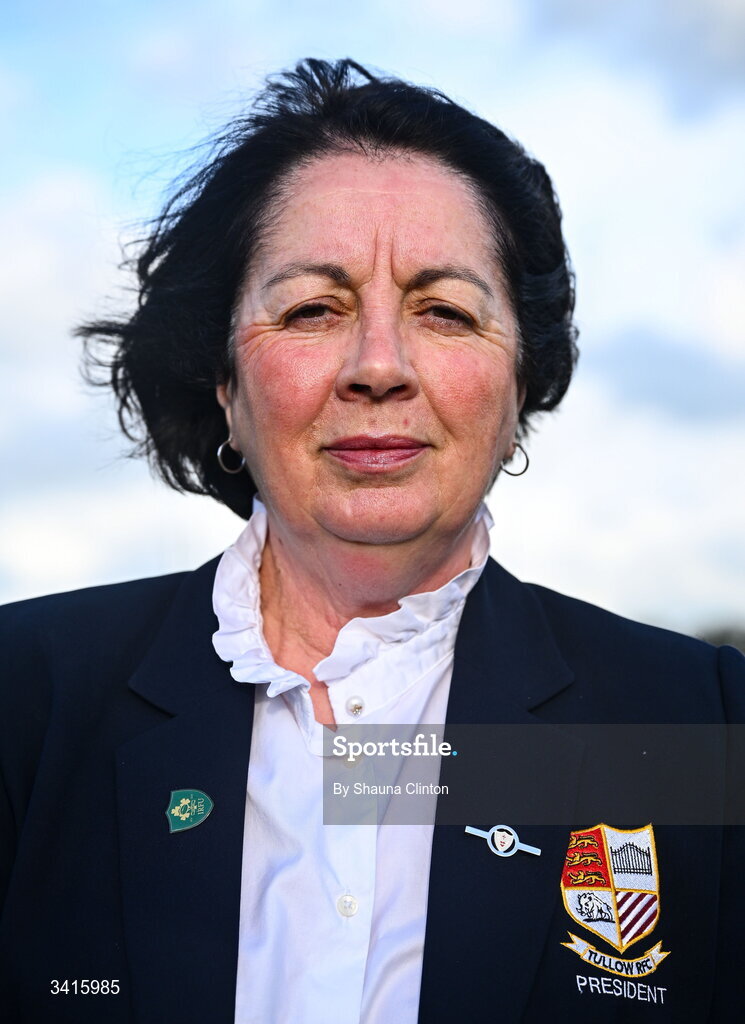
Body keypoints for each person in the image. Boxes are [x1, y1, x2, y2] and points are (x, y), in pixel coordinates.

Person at [0, 58, 742, 1024]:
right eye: (313, 307)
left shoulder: (695, 727)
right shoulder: (23, 698)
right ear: (222, 382)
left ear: (520, 382)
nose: (379, 366)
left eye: (444, 311)